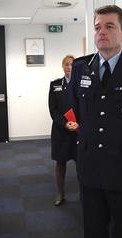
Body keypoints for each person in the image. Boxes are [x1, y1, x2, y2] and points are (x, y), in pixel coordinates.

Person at [68, 5, 122, 238]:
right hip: (89, 167)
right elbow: (72, 108)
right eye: (97, 27)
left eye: (109, 26)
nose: (101, 32)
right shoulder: (81, 67)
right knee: (93, 230)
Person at [48, 55, 77, 206]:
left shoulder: (82, 84)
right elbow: (53, 110)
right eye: (66, 64)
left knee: (83, 164)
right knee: (60, 164)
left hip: (79, 131)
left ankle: (86, 194)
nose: (69, 67)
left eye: (72, 64)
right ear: (62, 66)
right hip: (61, 131)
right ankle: (60, 193)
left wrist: (79, 125)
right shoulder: (55, 85)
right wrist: (66, 124)